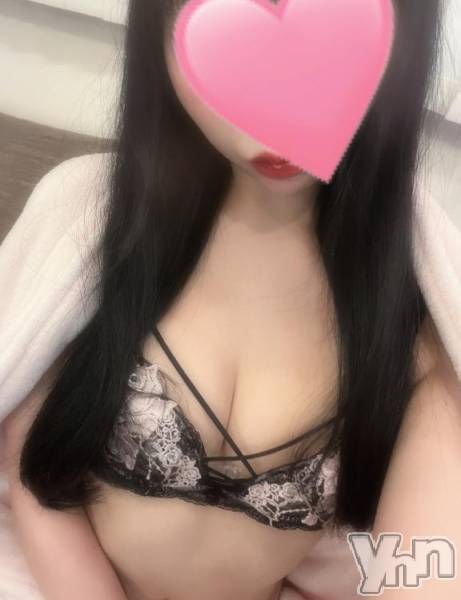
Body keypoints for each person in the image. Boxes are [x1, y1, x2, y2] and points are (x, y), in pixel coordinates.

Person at [2, 1, 461, 599]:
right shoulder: (86, 227)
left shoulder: (418, 319)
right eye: (234, 42)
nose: (278, 114)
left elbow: (424, 568)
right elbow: (28, 466)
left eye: (332, 42)